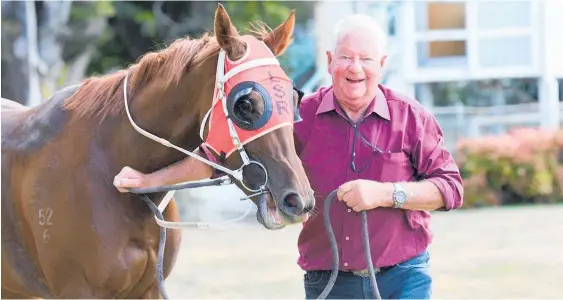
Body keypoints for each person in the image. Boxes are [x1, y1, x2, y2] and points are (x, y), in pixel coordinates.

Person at [114, 14, 463, 299]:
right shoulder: (299, 116)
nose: (355, 68)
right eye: (345, 57)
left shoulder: (411, 117)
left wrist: (387, 194)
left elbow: (450, 189)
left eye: (365, 59)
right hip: (329, 283)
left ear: (381, 64)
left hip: (403, 279)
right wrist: (149, 181)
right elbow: (215, 156)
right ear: (329, 61)